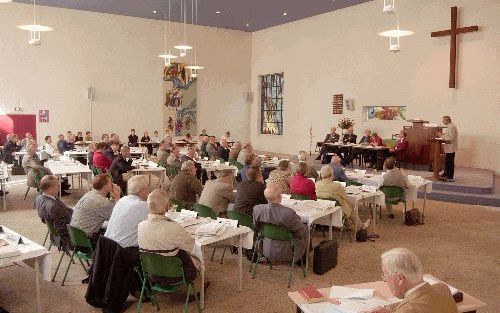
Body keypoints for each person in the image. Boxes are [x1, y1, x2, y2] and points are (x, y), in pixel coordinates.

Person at [138, 189, 203, 290]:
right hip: (175, 276)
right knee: (197, 256)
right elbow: (192, 246)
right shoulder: (174, 227)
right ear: (167, 206)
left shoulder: (140, 226)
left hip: (152, 275)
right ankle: (199, 289)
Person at [361, 248, 458, 313]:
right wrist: (388, 309)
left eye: (385, 275)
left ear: (400, 278)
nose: (385, 280)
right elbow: (417, 305)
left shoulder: (406, 310)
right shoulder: (442, 288)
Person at [253, 184, 308, 263]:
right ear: (280, 197)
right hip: (287, 251)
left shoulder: (257, 209)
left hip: (265, 248)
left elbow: (256, 229)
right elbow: (301, 232)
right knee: (305, 228)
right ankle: (303, 259)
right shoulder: (289, 213)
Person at [70, 174, 120, 243]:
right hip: (88, 240)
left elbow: (108, 208)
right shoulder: (101, 202)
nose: (113, 184)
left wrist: (113, 198)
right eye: (110, 182)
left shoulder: (89, 194)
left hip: (77, 237)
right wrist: (117, 198)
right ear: (105, 186)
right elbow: (118, 215)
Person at [104, 175, 150, 248]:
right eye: (147, 187)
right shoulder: (142, 205)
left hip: (107, 247)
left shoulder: (122, 200)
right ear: (142, 190)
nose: (149, 190)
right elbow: (157, 221)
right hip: (122, 251)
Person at [35, 175, 73, 249]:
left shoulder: (39, 198)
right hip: (69, 236)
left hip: (55, 232)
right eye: (57, 186)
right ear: (50, 189)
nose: (59, 188)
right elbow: (62, 230)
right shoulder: (53, 206)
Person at [438, 116, 458, 181]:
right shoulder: (449, 126)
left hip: (451, 147)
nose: (442, 121)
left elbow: (451, 138)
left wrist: (441, 136)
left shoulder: (451, 127)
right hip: (449, 147)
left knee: (450, 162)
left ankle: (449, 176)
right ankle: (446, 173)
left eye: (443, 120)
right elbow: (448, 135)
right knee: (447, 161)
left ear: (447, 120)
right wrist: (443, 135)